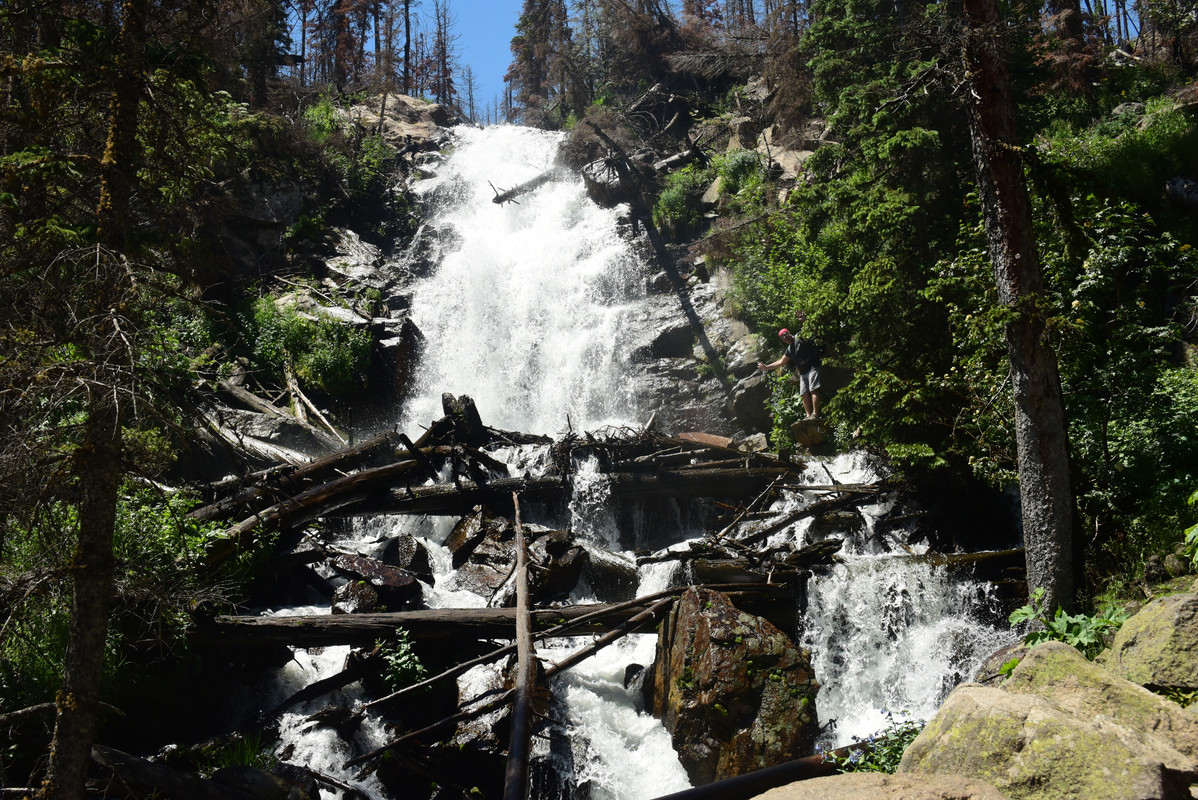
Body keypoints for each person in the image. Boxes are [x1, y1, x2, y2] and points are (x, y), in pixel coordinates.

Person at [756, 311, 822, 419]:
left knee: (813, 389)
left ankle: (815, 414)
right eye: (783, 337)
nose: (785, 337)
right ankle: (808, 415)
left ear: (789, 332)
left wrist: (804, 320)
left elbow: (809, 329)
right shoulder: (790, 349)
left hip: (813, 366)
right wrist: (766, 367)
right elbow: (781, 362)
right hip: (803, 372)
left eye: (786, 334)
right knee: (804, 393)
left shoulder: (799, 337)